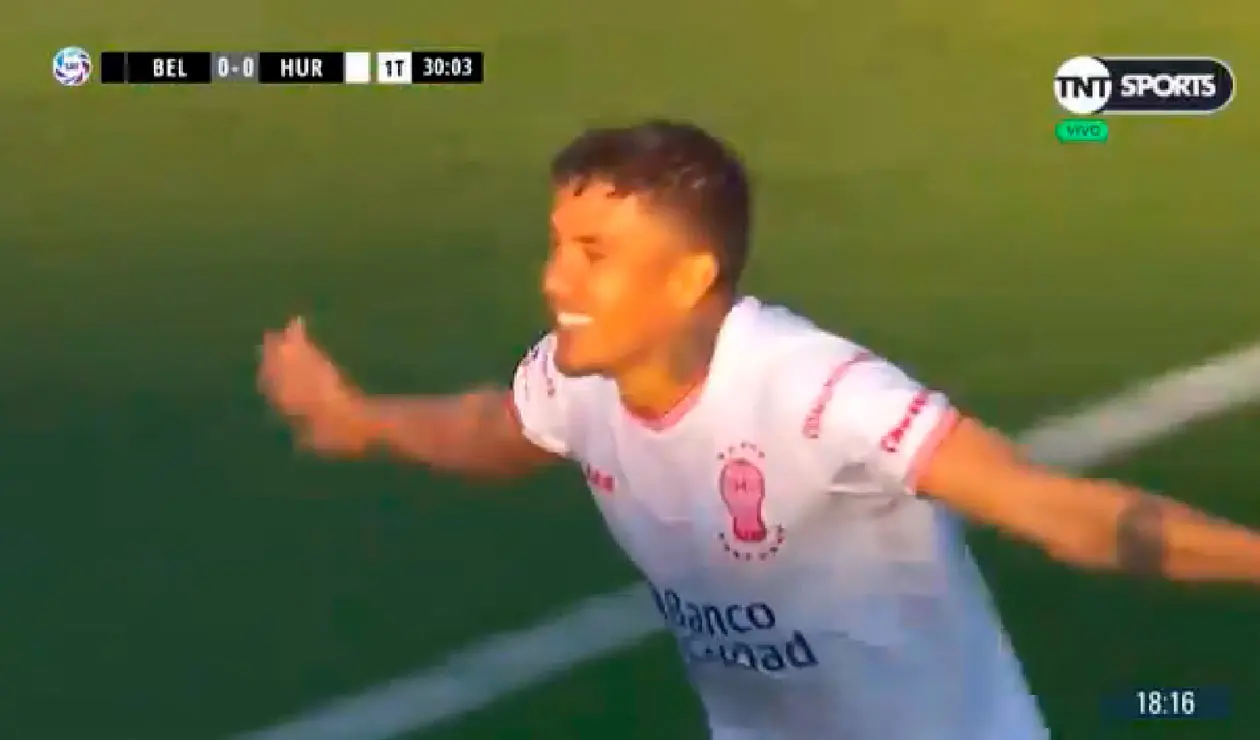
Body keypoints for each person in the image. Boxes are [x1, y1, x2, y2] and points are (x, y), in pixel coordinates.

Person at [258, 119, 1260, 740]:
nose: (555, 279)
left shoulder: (817, 391)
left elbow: (1066, 512)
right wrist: (363, 419)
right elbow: (500, 428)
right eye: (559, 245)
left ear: (689, 278)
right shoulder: (580, 378)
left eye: (593, 253)